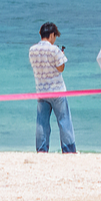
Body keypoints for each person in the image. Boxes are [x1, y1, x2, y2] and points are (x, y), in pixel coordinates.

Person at [29, 21, 74, 153]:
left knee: (42, 123)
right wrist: (61, 54)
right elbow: (61, 68)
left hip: (41, 91)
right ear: (52, 35)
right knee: (64, 121)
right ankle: (68, 149)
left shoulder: (32, 50)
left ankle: (41, 149)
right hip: (57, 91)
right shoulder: (54, 50)